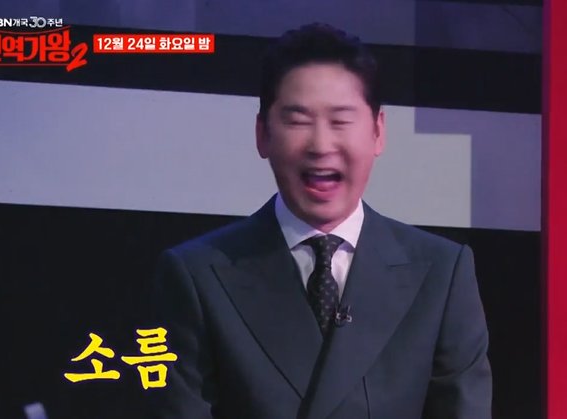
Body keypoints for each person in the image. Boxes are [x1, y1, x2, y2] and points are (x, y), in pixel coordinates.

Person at [146, 23, 492, 419]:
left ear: (378, 132)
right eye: (298, 121)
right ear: (262, 134)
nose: (321, 145)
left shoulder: (442, 274)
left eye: (341, 121)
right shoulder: (196, 275)